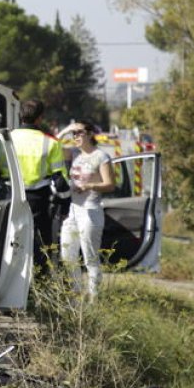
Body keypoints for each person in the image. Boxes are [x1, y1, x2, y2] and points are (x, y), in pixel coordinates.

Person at [59, 121, 115, 299]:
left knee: (90, 257)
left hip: (91, 210)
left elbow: (110, 185)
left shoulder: (101, 156)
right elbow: (53, 146)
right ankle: (75, 296)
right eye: (73, 134)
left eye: (79, 133)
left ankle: (94, 299)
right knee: (67, 255)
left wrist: (89, 185)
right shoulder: (73, 153)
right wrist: (66, 130)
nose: (75, 136)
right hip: (73, 210)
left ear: (90, 134)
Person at [11, 100, 68, 272]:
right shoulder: (50, 142)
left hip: (11, 196)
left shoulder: (7, 138)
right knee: (41, 244)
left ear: (20, 115)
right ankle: (40, 285)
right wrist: (65, 206)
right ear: (40, 118)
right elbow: (60, 180)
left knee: (13, 241)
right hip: (39, 201)